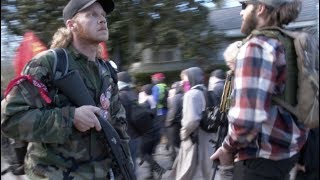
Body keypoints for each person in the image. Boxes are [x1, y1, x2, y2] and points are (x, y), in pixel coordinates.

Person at [1, 0, 132, 179]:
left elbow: (119, 125)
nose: (102, 20)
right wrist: (70, 118)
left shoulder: (106, 70)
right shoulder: (48, 64)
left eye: (102, 15)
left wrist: (125, 168)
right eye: (92, 14)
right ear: (72, 25)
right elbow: (9, 119)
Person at [210, 1, 308, 180]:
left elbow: (246, 121)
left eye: (244, 6)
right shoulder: (289, 43)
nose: (241, 13)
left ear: (260, 8)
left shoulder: (256, 46)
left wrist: (226, 148)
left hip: (259, 159)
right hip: (287, 154)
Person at [170, 67, 214, 180]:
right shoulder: (205, 91)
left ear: (192, 78)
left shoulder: (191, 94)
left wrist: (183, 133)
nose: (182, 83)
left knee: (187, 171)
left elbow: (192, 121)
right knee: (206, 171)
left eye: (184, 80)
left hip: (194, 139)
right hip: (207, 137)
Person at [138, 84, 166, 179]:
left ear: (144, 92)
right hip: (156, 131)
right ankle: (152, 175)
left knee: (144, 153)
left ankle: (159, 170)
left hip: (148, 133)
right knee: (149, 154)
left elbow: (142, 119)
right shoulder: (153, 101)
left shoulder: (145, 103)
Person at [117, 71, 140, 172]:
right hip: (135, 135)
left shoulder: (121, 96)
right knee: (132, 164)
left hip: (126, 136)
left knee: (126, 168)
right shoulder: (133, 93)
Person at [165, 81, 184, 165]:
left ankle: (174, 163)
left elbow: (173, 111)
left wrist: (168, 122)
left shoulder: (176, 98)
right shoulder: (183, 95)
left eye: (173, 88)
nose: (171, 89)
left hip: (173, 124)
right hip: (179, 123)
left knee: (173, 144)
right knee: (178, 143)